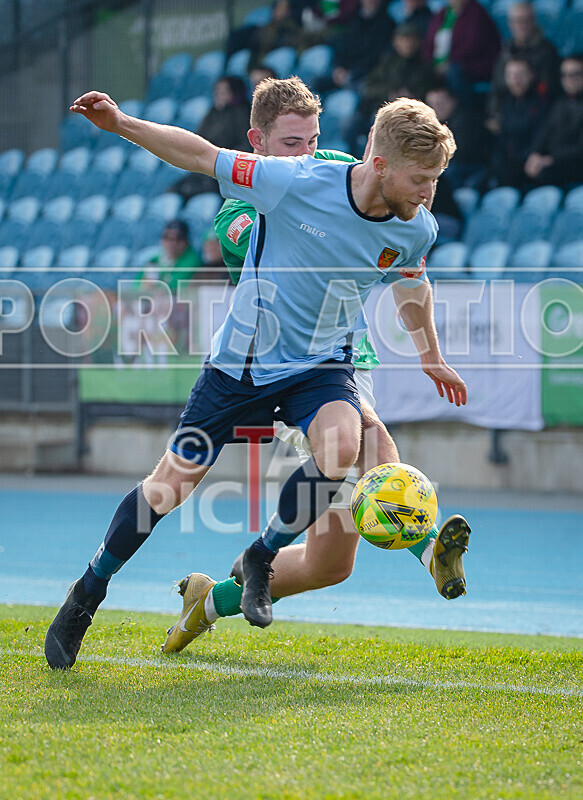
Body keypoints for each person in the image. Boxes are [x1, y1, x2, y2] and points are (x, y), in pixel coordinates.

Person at [44, 82, 469, 670]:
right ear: (380, 165)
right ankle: (88, 591)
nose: (429, 194)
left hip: (322, 365)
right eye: (421, 180)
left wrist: (430, 355)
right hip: (241, 365)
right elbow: (200, 155)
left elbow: (413, 283)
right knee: (168, 487)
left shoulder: (416, 226)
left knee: (346, 443)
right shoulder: (292, 181)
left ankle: (261, 557)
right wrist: (122, 124)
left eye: (434, 181)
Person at [489, 1, 560, 120]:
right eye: (517, 21)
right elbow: (496, 87)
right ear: (510, 24)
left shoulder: (547, 51)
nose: (521, 25)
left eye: (526, 20)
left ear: (534, 21)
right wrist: (494, 115)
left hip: (537, 114)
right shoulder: (506, 51)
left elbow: (549, 87)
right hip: (508, 113)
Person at [488, 57, 550, 189]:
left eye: (521, 74)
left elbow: (542, 136)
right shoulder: (505, 103)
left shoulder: (543, 102)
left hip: (533, 163)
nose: (516, 80)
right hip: (509, 165)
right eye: (511, 75)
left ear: (531, 75)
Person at [422, 0, 500, 105]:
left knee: (454, 73)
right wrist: (431, 62)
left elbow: (473, 45)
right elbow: (428, 44)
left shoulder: (476, 13)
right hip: (441, 66)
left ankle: (463, 110)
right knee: (422, 73)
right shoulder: (441, 14)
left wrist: (448, 63)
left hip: (472, 65)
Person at [524, 55, 583, 187]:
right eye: (565, 75)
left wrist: (551, 159)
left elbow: (580, 149)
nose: (569, 79)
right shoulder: (559, 103)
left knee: (547, 174)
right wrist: (535, 154)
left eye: (575, 74)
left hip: (574, 165)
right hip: (554, 161)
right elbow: (545, 133)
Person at [316, 0, 395, 92]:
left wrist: (352, 73)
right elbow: (344, 45)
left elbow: (376, 57)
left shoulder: (387, 25)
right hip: (342, 72)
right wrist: (339, 66)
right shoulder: (355, 19)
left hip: (363, 77)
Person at [426, 84, 493, 189]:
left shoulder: (465, 120)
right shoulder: (437, 124)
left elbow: (462, 153)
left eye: (442, 103)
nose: (438, 108)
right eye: (434, 105)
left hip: (475, 167)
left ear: (453, 101)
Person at [136, 219, 202, 291]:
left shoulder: (193, 261)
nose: (172, 243)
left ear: (186, 241)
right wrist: (143, 286)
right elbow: (135, 286)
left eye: (178, 238)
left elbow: (176, 286)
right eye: (167, 237)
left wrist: (154, 287)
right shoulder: (154, 260)